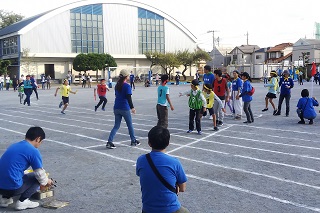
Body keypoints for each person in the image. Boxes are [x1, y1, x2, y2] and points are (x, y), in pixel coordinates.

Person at [136, 126, 189, 213]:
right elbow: (183, 188)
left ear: (149, 143)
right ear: (168, 143)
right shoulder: (174, 162)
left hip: (148, 209)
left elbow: (142, 175)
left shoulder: (141, 160)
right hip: (170, 208)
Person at [0, 126, 54, 210]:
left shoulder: (14, 145)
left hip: (1, 188)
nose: (40, 144)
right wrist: (47, 181)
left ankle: (4, 199)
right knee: (37, 177)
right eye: (41, 142)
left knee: (13, 174)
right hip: (13, 188)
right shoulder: (33, 151)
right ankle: (23, 201)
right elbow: (40, 174)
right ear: (38, 139)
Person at [106, 69, 140, 149]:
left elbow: (116, 96)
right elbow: (129, 97)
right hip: (124, 108)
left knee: (116, 126)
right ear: (126, 76)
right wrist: (132, 108)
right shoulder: (127, 86)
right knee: (129, 125)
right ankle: (133, 140)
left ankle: (109, 141)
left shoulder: (117, 85)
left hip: (116, 107)